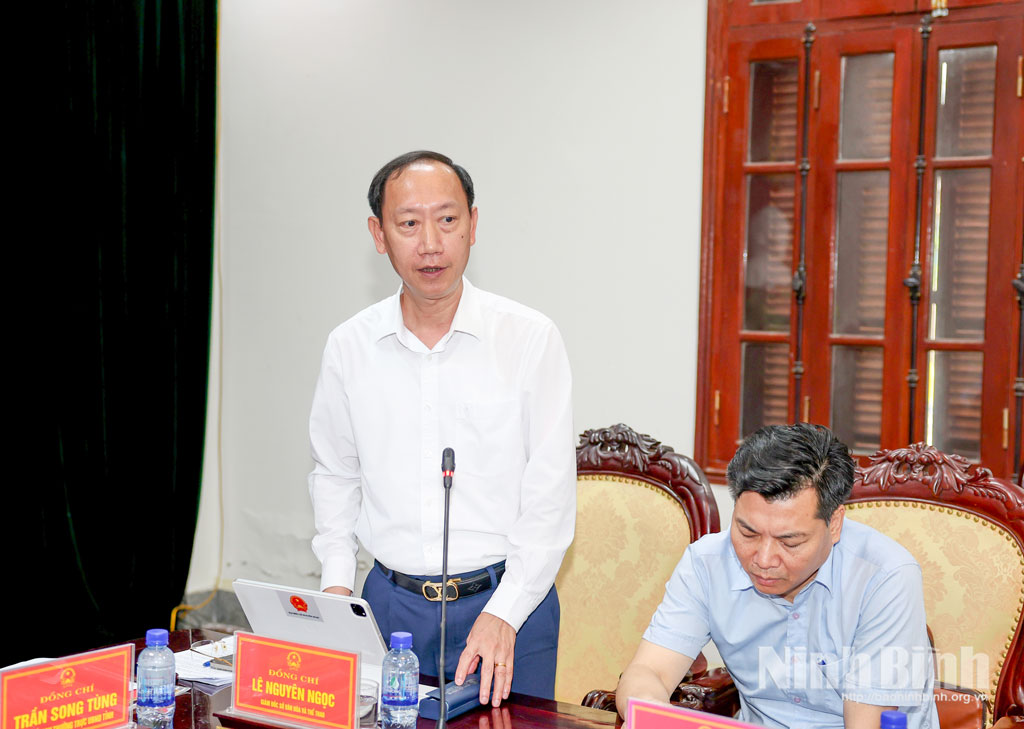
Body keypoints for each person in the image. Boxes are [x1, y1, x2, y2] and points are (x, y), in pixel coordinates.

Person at [307, 151, 576, 707]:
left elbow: (550, 496)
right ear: (379, 235)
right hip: (388, 606)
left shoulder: (529, 339)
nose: (430, 243)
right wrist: (336, 589)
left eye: (447, 220)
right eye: (408, 223)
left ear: (473, 225)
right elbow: (335, 474)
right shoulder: (349, 346)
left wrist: (505, 611)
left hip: (508, 607)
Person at [616, 423, 938, 729]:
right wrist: (649, 710)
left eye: (790, 542)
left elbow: (865, 724)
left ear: (835, 524)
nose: (764, 560)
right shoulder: (707, 563)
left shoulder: (885, 576)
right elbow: (648, 671)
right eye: (748, 533)